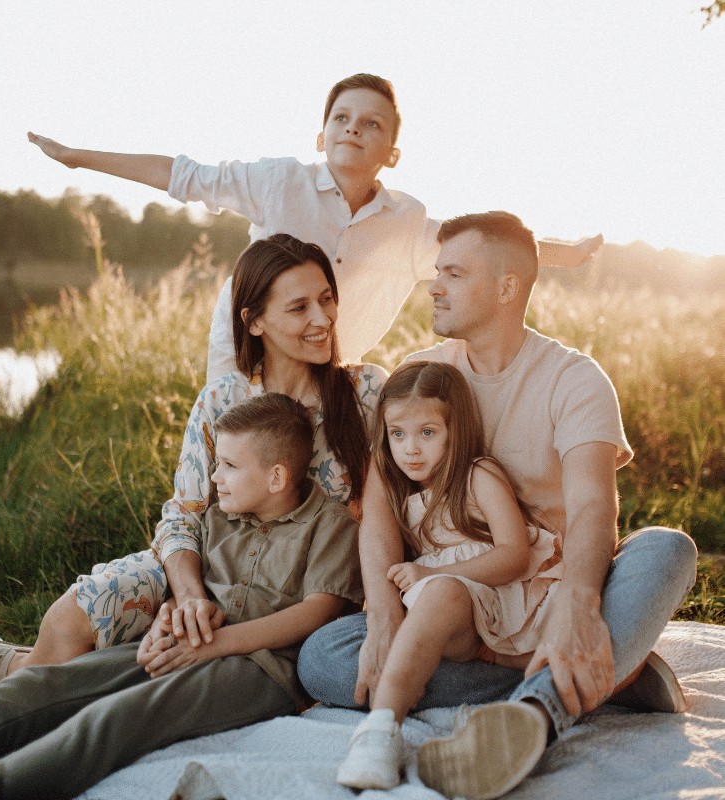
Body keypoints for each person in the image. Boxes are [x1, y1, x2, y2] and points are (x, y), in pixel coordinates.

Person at [298, 211, 698, 800]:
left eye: (453, 274)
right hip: (458, 601)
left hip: (548, 585)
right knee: (323, 659)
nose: (434, 286)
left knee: (667, 550)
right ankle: (608, 671)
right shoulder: (422, 376)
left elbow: (594, 508)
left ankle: (536, 711)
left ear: (507, 287)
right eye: (437, 271)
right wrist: (382, 612)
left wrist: (581, 604)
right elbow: (380, 507)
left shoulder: (574, 379)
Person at [0, 234, 386, 683]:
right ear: (254, 322)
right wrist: (189, 597)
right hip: (212, 567)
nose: (322, 318)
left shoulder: (366, 393)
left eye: (327, 300)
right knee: (71, 619)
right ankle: (12, 666)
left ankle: (14, 669)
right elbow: (183, 516)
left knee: (101, 672)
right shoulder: (221, 400)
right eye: (299, 307)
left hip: (304, 585)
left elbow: (395, 504)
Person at [27, 73, 603, 385]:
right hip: (247, 347)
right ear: (321, 136)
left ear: (392, 152)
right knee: (236, 455)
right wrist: (78, 157)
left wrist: (565, 254)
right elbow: (182, 175)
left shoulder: (406, 220)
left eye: (371, 123)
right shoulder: (278, 181)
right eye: (341, 118)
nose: (354, 128)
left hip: (332, 364)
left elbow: (482, 248)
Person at [0, 391, 363, 800]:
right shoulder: (221, 517)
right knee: (52, 683)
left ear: (277, 478)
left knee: (122, 715)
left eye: (229, 466)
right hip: (190, 642)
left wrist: (214, 647)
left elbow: (316, 613)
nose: (214, 478)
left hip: (262, 670)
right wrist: (168, 620)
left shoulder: (330, 526)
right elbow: (193, 593)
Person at [336, 361, 564, 791]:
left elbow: (514, 555)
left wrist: (432, 571)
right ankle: (382, 728)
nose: (411, 450)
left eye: (427, 433)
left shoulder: (479, 475)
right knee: (327, 653)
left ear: (455, 430)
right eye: (397, 434)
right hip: (466, 629)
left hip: (511, 601)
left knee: (439, 592)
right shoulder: (403, 493)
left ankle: (381, 727)